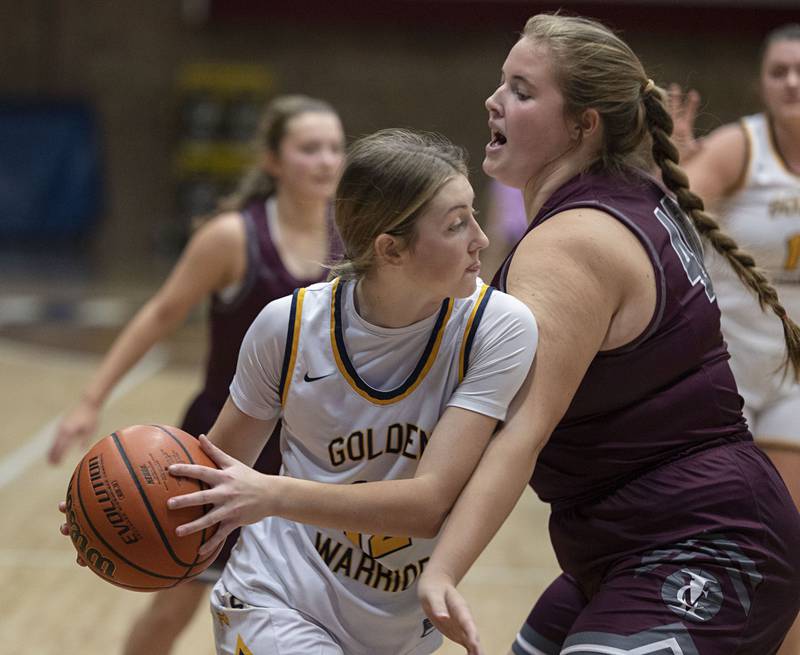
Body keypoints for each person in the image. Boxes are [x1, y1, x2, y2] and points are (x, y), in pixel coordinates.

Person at [413, 14, 800, 655]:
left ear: (584, 124)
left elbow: (522, 433)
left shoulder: (571, 242)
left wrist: (446, 566)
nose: (494, 100)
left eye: (522, 90)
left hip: (703, 537)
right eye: (501, 82)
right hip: (622, 541)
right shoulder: (625, 196)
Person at [159, 129, 538, 654]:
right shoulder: (287, 327)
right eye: (455, 225)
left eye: (473, 214)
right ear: (390, 249)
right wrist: (111, 522)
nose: (480, 237)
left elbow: (429, 503)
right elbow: (213, 479)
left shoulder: (497, 328)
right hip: (275, 597)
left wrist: (270, 494)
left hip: (400, 629)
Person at [48, 94, 345, 655]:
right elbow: (161, 313)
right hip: (219, 445)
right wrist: (91, 399)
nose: (327, 160)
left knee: (312, 612)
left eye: (335, 147)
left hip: (314, 454)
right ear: (273, 161)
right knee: (174, 605)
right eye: (309, 148)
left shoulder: (350, 239)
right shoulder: (233, 237)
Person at [668, 25, 800, 653]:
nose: (793, 82)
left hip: (793, 373)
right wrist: (673, 163)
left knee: (790, 534)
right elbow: (664, 216)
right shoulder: (739, 147)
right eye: (779, 71)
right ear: (762, 82)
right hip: (726, 370)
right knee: (728, 532)